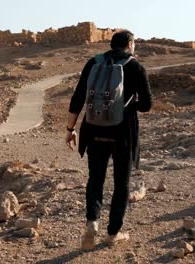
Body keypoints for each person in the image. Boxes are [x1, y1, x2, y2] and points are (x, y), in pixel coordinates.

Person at [65, 30, 152, 250]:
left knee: (95, 179)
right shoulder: (135, 67)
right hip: (122, 133)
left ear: (111, 44)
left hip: (93, 130)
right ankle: (113, 233)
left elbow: (78, 98)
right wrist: (130, 104)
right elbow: (147, 105)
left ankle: (92, 221)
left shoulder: (93, 63)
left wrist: (70, 129)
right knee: (121, 183)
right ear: (130, 44)